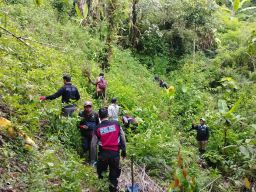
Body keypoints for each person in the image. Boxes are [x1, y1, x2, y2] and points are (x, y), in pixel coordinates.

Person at [91, 107, 126, 192]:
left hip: (103, 155)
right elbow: (122, 137)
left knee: (101, 176)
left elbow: (93, 145)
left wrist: (94, 160)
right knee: (113, 177)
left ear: (99, 116)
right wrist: (124, 151)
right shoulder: (116, 124)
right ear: (108, 115)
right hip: (115, 154)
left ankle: (102, 189)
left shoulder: (97, 128)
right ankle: (113, 189)